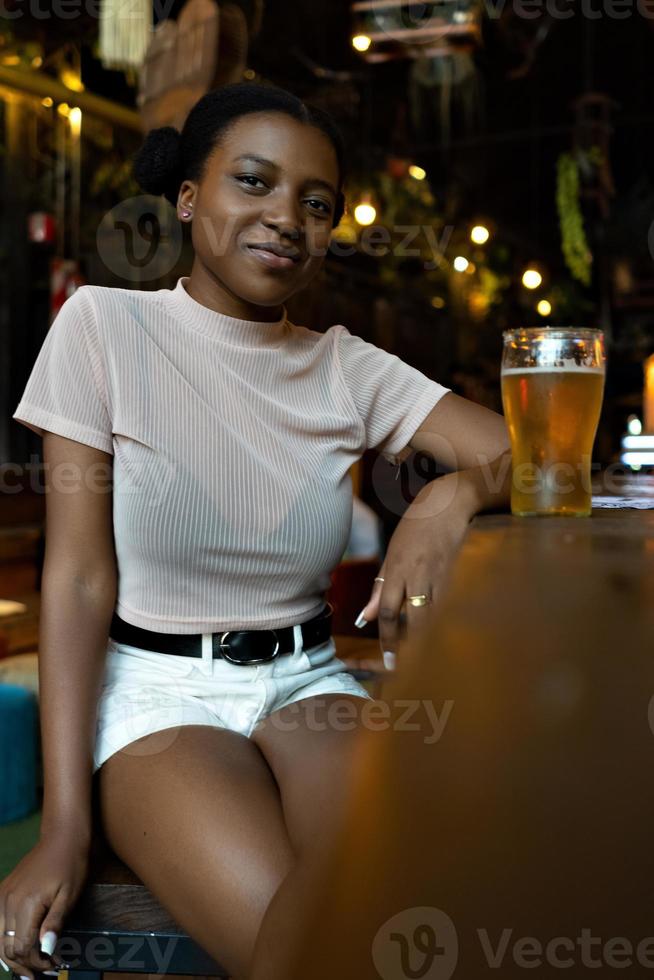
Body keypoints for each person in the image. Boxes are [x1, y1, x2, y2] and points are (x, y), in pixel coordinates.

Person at [1, 82, 511, 980]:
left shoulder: (343, 366)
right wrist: (65, 828)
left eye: (316, 204)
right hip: (159, 692)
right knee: (310, 953)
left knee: (398, 895)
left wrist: (448, 499)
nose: (286, 218)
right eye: (253, 182)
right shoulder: (103, 327)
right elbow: (78, 581)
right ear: (190, 197)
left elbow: (532, 457)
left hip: (309, 677)